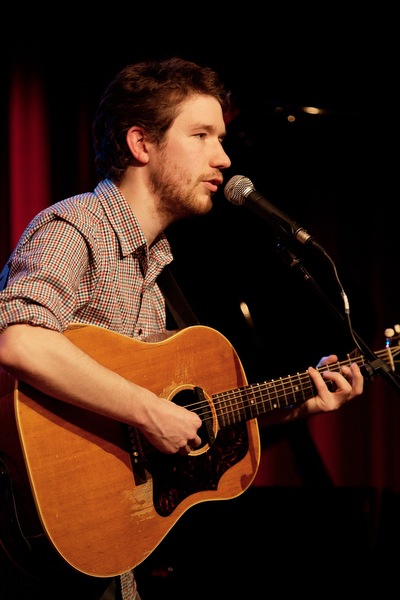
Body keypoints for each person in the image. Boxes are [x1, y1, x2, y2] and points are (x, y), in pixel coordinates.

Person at [0, 56, 364, 600]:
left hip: (106, 549)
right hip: (34, 555)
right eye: (202, 135)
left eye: (222, 138)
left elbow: (183, 419)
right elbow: (20, 339)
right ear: (141, 144)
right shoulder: (74, 228)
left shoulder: (155, 271)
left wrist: (297, 404)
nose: (224, 158)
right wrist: (149, 412)